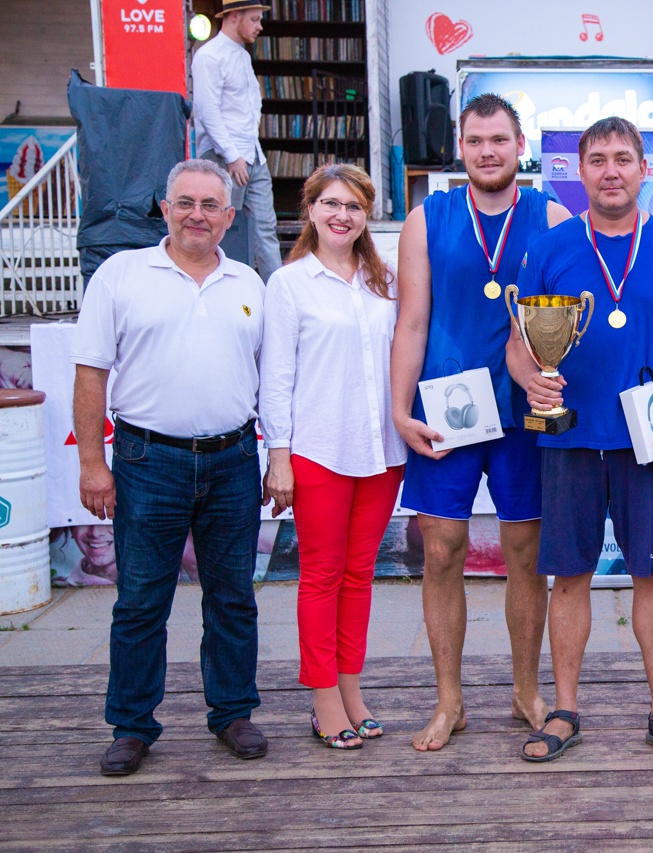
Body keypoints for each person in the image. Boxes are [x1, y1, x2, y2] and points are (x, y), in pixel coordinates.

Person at [512, 116, 653, 763]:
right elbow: (519, 343)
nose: (611, 171)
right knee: (569, 578)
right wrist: (532, 380)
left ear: (644, 169)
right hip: (569, 438)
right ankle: (565, 709)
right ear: (580, 171)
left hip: (647, 440)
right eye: (598, 159)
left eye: (623, 158)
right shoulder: (550, 248)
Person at [72, 158, 268, 777]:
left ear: (229, 217)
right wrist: (91, 463)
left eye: (210, 206)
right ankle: (132, 725)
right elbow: (90, 374)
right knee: (140, 601)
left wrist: (279, 457)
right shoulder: (121, 275)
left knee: (233, 597)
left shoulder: (249, 283)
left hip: (234, 459)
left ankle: (232, 712)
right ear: (164, 208)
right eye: (185, 202)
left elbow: (272, 378)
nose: (197, 216)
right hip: (146, 460)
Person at [389, 94, 570, 752]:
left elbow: (560, 323)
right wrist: (399, 408)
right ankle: (450, 701)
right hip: (449, 407)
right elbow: (412, 321)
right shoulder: (426, 219)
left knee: (526, 553)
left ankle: (525, 690)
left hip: (524, 409)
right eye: (475, 140)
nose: (487, 151)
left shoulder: (552, 217)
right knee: (441, 551)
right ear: (459, 147)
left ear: (520, 145)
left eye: (499, 139)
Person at [260, 164, 406, 750]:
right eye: (331, 203)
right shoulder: (289, 284)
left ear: (367, 215)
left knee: (360, 574)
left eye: (353, 206)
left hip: (382, 450)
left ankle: (351, 689)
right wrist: (279, 458)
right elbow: (276, 378)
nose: (341, 215)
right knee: (321, 575)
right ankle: (323, 698)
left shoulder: (385, 281)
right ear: (311, 210)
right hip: (319, 448)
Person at [192, 1, 281, 280]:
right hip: (223, 155)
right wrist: (232, 155)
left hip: (251, 154)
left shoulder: (241, 55)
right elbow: (207, 111)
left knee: (265, 228)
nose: (259, 26)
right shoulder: (210, 56)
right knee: (222, 228)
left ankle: (277, 294)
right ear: (233, 17)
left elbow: (250, 107)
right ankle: (220, 288)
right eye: (254, 19)